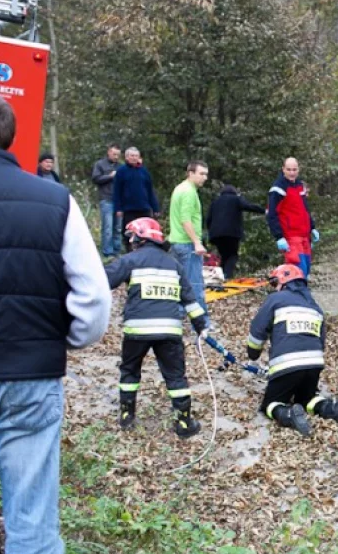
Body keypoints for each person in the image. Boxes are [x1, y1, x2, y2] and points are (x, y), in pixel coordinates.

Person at [0, 91, 111, 554]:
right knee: (33, 519)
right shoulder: (56, 200)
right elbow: (95, 298)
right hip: (32, 380)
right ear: (11, 140)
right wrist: (61, 341)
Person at [105, 217, 208, 437]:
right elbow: (191, 301)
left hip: (137, 331)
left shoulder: (130, 260)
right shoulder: (174, 265)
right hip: (169, 332)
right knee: (176, 377)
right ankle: (183, 424)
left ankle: (126, 417)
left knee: (130, 372)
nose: (130, 241)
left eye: (132, 236)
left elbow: (104, 280)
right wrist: (201, 327)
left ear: (141, 237)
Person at [246, 264, 338, 436]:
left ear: (282, 281)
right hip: (314, 365)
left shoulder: (276, 299)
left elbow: (257, 330)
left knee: (270, 404)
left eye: (274, 283)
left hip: (286, 365)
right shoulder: (314, 307)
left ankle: (289, 414)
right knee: (307, 399)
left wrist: (252, 353)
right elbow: (321, 340)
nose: (274, 288)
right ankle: (333, 408)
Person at [168, 160, 210, 325]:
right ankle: (201, 323)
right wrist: (197, 243)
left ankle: (177, 318)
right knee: (195, 285)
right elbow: (185, 220)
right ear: (190, 173)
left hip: (177, 242)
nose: (204, 178)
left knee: (180, 283)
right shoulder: (188, 192)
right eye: (201, 174)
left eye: (206, 174)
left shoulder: (180, 188)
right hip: (187, 244)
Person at [267, 157, 319, 278]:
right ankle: (297, 296)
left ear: (298, 170)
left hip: (304, 236)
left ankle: (303, 295)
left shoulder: (300, 186)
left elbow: (304, 210)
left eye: (294, 169)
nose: (292, 172)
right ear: (283, 170)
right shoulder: (278, 189)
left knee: (306, 272)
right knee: (297, 272)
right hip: (291, 237)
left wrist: (312, 227)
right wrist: (278, 236)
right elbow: (271, 214)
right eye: (289, 169)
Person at [206, 184, 265, 279]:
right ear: (234, 192)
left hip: (216, 234)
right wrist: (264, 211)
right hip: (231, 233)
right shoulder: (236, 199)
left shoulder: (215, 202)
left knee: (224, 255)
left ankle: (221, 276)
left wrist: (211, 231)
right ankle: (227, 277)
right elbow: (248, 206)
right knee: (233, 255)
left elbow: (208, 219)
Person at [113, 146, 159, 252]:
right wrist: (118, 208)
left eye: (136, 156)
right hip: (129, 209)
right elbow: (117, 191)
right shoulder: (121, 171)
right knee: (128, 233)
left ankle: (145, 252)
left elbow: (150, 190)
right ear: (127, 157)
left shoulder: (144, 171)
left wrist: (155, 208)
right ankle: (129, 252)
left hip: (144, 208)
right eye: (132, 156)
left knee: (146, 233)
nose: (134, 158)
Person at [92, 143, 123, 258]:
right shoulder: (100, 164)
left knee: (118, 228)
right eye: (114, 154)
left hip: (119, 201)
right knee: (108, 227)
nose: (115, 156)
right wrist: (110, 176)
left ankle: (117, 251)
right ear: (108, 152)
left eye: (118, 155)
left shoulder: (121, 166)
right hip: (106, 199)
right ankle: (107, 253)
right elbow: (95, 178)